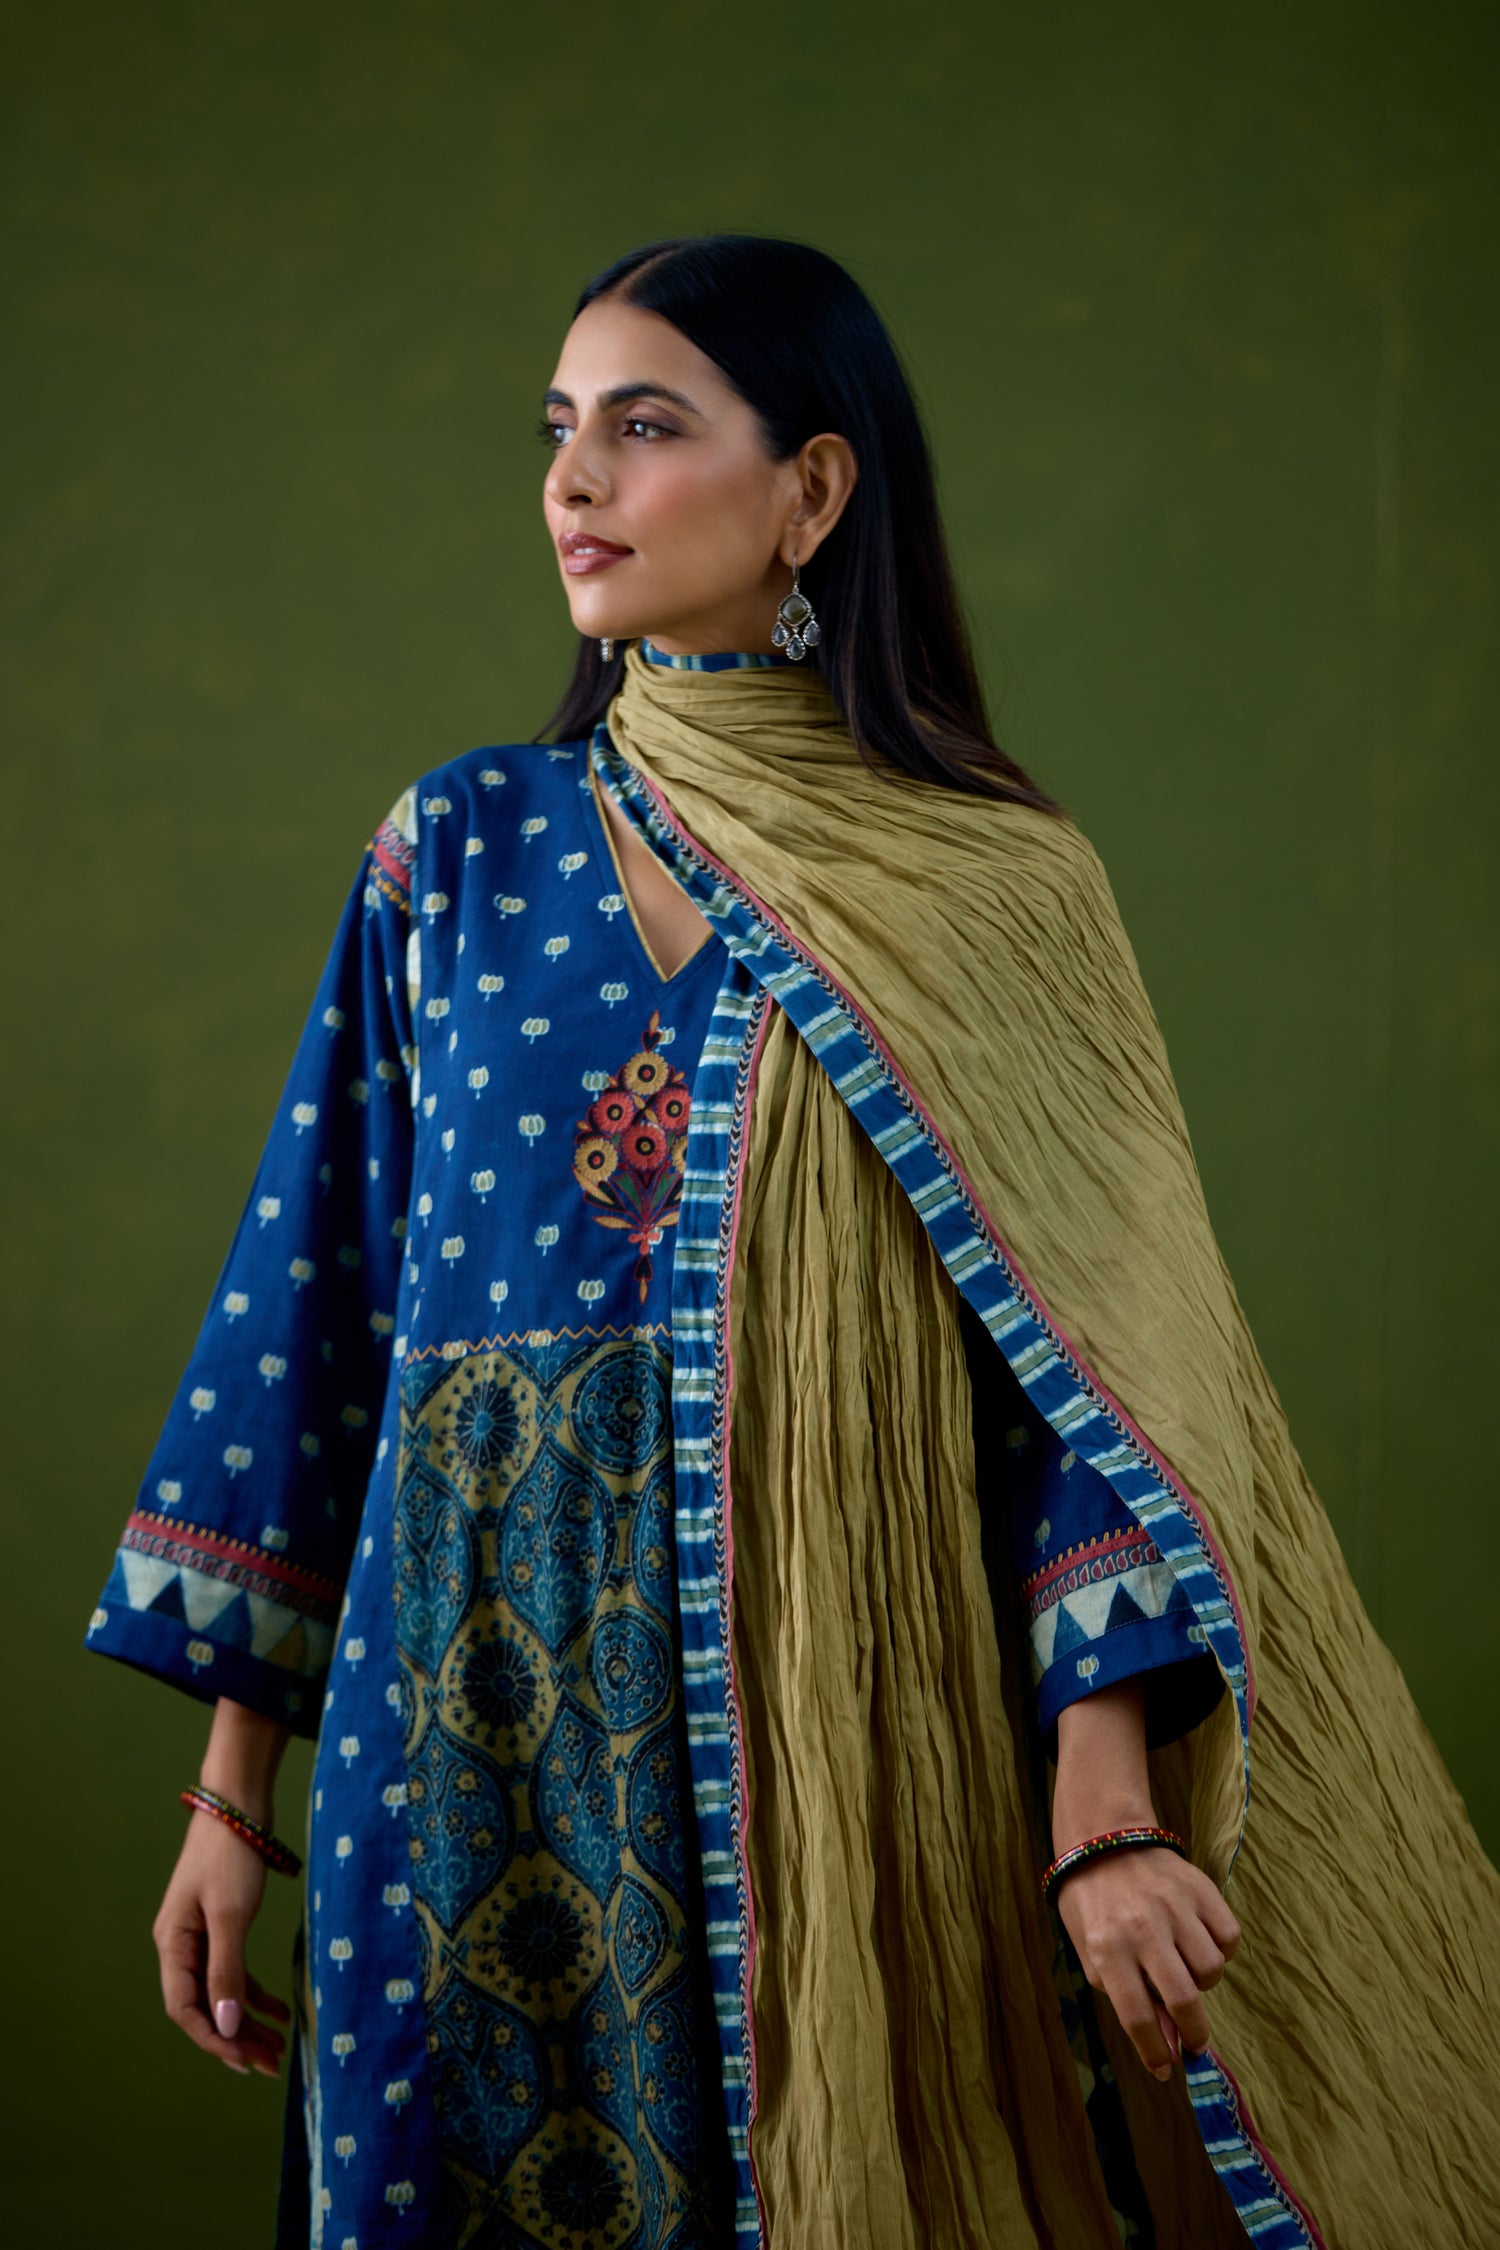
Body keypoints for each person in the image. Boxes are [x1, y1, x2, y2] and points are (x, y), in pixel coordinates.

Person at [85, 234, 1500, 2250]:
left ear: (813, 489)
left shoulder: (995, 888)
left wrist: (1104, 1799)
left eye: (645, 425)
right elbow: (319, 1319)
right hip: (464, 1748)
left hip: (857, 1758)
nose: (574, 479)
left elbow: (1094, 1373)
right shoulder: (453, 855)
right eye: (560, 429)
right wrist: (238, 1799)